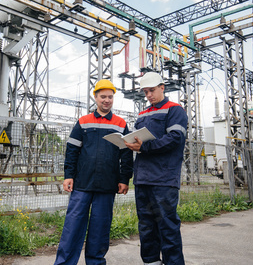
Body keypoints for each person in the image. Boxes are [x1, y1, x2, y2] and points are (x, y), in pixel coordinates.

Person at [54, 79, 133, 265]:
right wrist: (68, 175)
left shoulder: (120, 124)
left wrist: (124, 179)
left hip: (107, 184)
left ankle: (96, 262)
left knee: (100, 229)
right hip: (82, 183)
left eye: (110, 97)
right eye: (103, 96)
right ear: (95, 97)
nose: (107, 100)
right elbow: (72, 150)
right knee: (72, 227)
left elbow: (127, 154)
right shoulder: (83, 122)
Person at [125, 72, 188, 265]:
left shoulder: (175, 110)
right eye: (145, 92)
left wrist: (144, 146)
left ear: (162, 87)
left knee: (167, 226)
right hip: (143, 178)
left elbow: (175, 138)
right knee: (146, 226)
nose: (148, 95)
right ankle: (151, 262)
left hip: (163, 179)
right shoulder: (142, 114)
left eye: (151, 90)